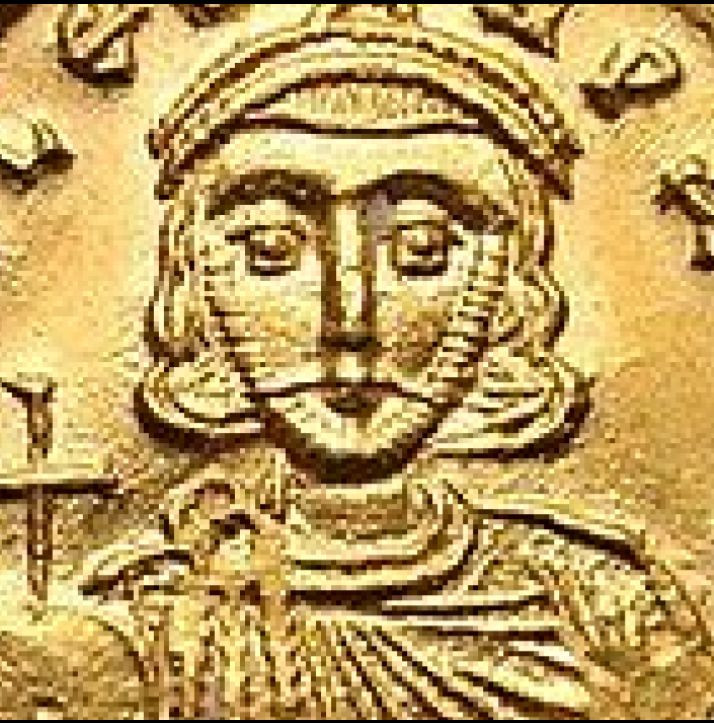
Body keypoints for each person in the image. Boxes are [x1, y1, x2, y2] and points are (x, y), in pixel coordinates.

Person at [84, 5, 712, 718]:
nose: (350, 322)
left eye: (420, 250)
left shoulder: (612, 603)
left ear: (507, 290)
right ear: (196, 285)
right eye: (271, 250)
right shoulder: (130, 620)